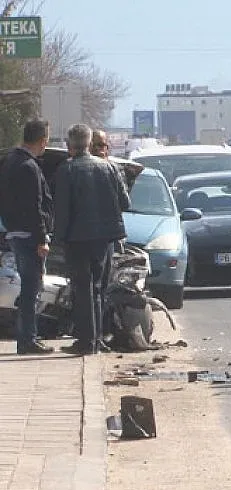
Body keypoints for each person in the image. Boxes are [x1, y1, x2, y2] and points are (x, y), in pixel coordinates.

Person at [55, 124, 131, 355]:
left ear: (70, 145)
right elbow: (125, 203)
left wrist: (58, 240)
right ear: (89, 144)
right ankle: (96, 340)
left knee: (82, 289)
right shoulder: (109, 167)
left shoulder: (67, 170)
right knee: (98, 289)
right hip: (105, 239)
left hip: (77, 239)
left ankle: (87, 341)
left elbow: (62, 210)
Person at [0, 119, 54, 354]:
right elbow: (36, 206)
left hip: (13, 231)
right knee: (33, 286)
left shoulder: (9, 161)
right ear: (42, 141)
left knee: (29, 286)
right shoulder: (29, 167)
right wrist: (42, 238)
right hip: (29, 235)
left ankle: (26, 335)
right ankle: (27, 339)